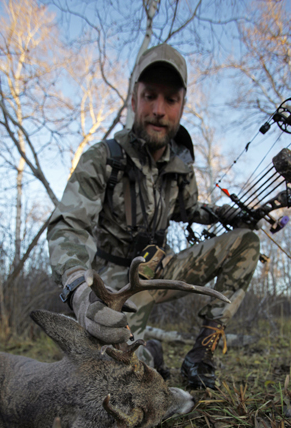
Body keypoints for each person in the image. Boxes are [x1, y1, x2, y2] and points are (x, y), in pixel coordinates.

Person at [47, 43, 260, 389]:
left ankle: (202, 354)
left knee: (247, 242)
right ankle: (151, 353)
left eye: (170, 100)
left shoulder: (181, 167)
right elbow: (68, 225)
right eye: (149, 96)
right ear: (134, 101)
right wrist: (77, 287)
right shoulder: (102, 159)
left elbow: (189, 210)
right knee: (116, 375)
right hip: (118, 282)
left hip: (164, 269)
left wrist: (227, 213)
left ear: (181, 107)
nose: (159, 110)